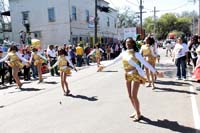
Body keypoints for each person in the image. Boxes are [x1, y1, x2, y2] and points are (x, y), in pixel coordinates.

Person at [98, 37, 157, 122]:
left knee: (134, 95)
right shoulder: (123, 53)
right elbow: (114, 61)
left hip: (136, 74)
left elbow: (145, 64)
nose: (128, 44)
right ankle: (136, 110)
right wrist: (103, 66)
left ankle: (138, 113)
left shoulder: (136, 54)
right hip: (127, 75)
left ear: (133, 44)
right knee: (130, 96)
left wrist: (155, 72)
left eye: (129, 43)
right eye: (126, 43)